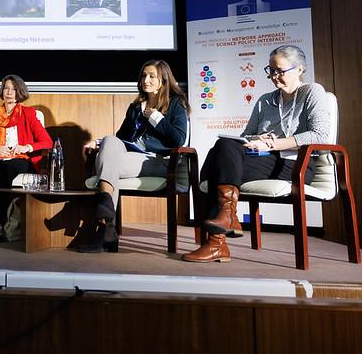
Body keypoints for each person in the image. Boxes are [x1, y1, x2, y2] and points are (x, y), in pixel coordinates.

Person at [183, 45, 330, 263]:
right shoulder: (265, 100)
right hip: (263, 160)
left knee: (215, 163)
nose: (273, 76)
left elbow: (320, 136)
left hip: (297, 164)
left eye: (279, 70)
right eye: (270, 70)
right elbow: (246, 135)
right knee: (225, 145)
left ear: (299, 69)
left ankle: (217, 241)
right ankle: (227, 218)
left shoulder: (312, 92)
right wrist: (256, 140)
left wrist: (274, 144)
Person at [80, 60, 190, 252]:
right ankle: (107, 216)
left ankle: (106, 228)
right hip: (130, 157)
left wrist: (155, 117)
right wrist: (96, 143)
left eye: (151, 76)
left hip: (159, 161)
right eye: (143, 76)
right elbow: (120, 138)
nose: (145, 80)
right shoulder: (135, 107)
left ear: (163, 80)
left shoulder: (176, 104)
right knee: (109, 142)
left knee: (106, 162)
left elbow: (179, 139)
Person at [0, 74, 52, 243]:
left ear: (19, 92)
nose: (9, 92)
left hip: (19, 159)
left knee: (4, 168)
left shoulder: (28, 114)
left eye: (13, 89)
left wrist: (26, 147)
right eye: (7, 88)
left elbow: (47, 142)